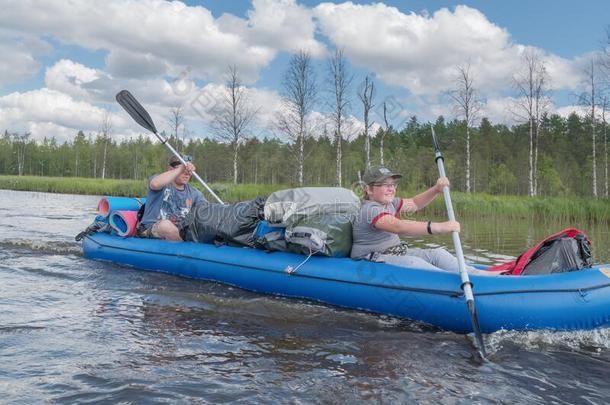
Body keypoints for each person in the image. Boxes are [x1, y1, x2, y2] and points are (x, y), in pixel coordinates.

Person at [351, 165, 493, 275]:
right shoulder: (370, 209)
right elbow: (399, 227)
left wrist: (436, 189)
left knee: (438, 253)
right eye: (384, 184)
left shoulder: (390, 203)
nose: (391, 189)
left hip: (395, 252)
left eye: (393, 184)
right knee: (414, 262)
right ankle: (451, 283)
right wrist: (439, 227)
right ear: (369, 190)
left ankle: (481, 275)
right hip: (370, 258)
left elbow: (414, 203)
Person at [137, 155, 206, 241]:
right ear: (170, 169)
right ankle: (186, 249)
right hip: (151, 229)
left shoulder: (195, 194)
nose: (187, 173)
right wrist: (181, 168)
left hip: (181, 231)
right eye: (183, 169)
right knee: (166, 226)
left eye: (189, 170)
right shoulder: (160, 181)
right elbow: (155, 184)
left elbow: (206, 212)